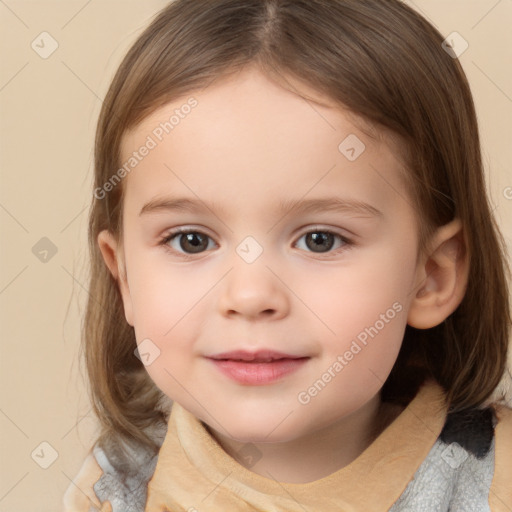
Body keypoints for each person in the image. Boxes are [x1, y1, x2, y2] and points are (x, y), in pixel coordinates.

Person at [62, 0, 512, 510]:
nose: (250, 296)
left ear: (430, 276)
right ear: (125, 279)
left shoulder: (493, 483)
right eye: (191, 240)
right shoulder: (115, 487)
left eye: (320, 239)